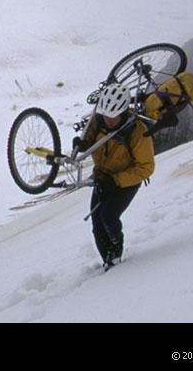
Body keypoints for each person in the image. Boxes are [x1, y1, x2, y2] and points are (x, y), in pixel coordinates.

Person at [73, 83, 155, 270]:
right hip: (102, 177)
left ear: (124, 112)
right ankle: (108, 263)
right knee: (97, 224)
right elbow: (90, 136)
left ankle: (116, 255)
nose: (109, 121)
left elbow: (146, 167)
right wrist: (82, 143)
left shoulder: (137, 131)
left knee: (108, 215)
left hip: (127, 181)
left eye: (114, 117)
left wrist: (117, 181)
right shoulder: (98, 121)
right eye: (105, 116)